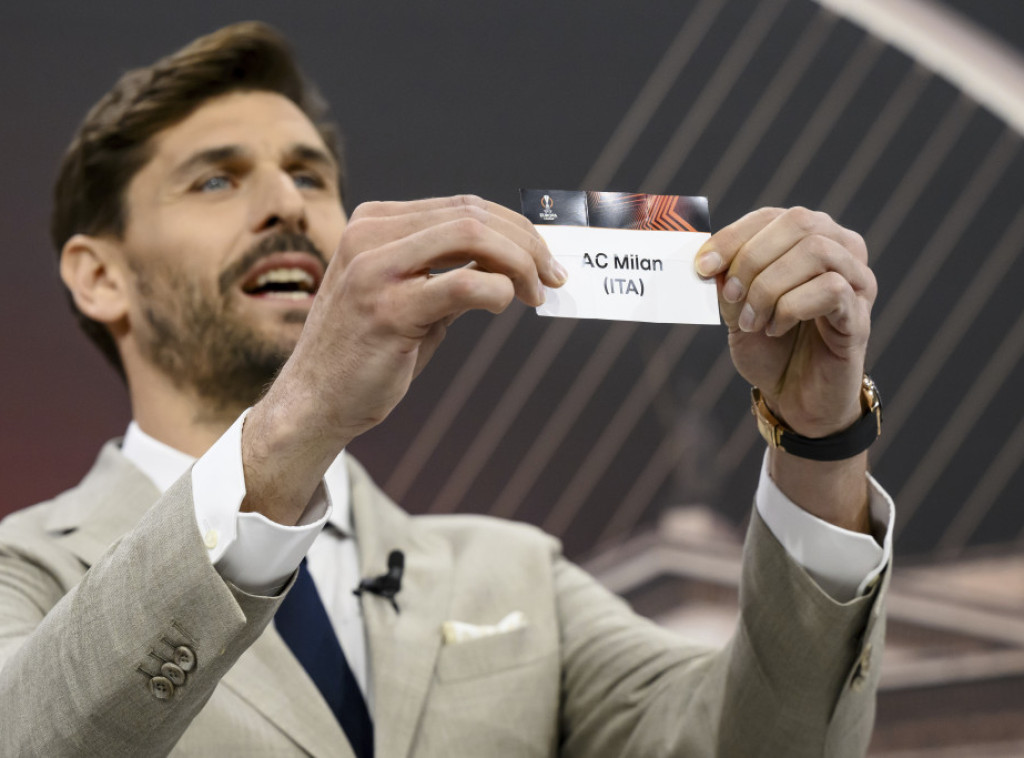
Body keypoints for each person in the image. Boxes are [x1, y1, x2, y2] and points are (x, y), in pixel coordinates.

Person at [0, 21, 892, 758]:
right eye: (215, 179)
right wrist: (296, 424)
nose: (287, 205)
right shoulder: (24, 569)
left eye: (309, 176)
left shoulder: (515, 574)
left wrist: (820, 446)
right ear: (99, 277)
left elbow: (762, 745)